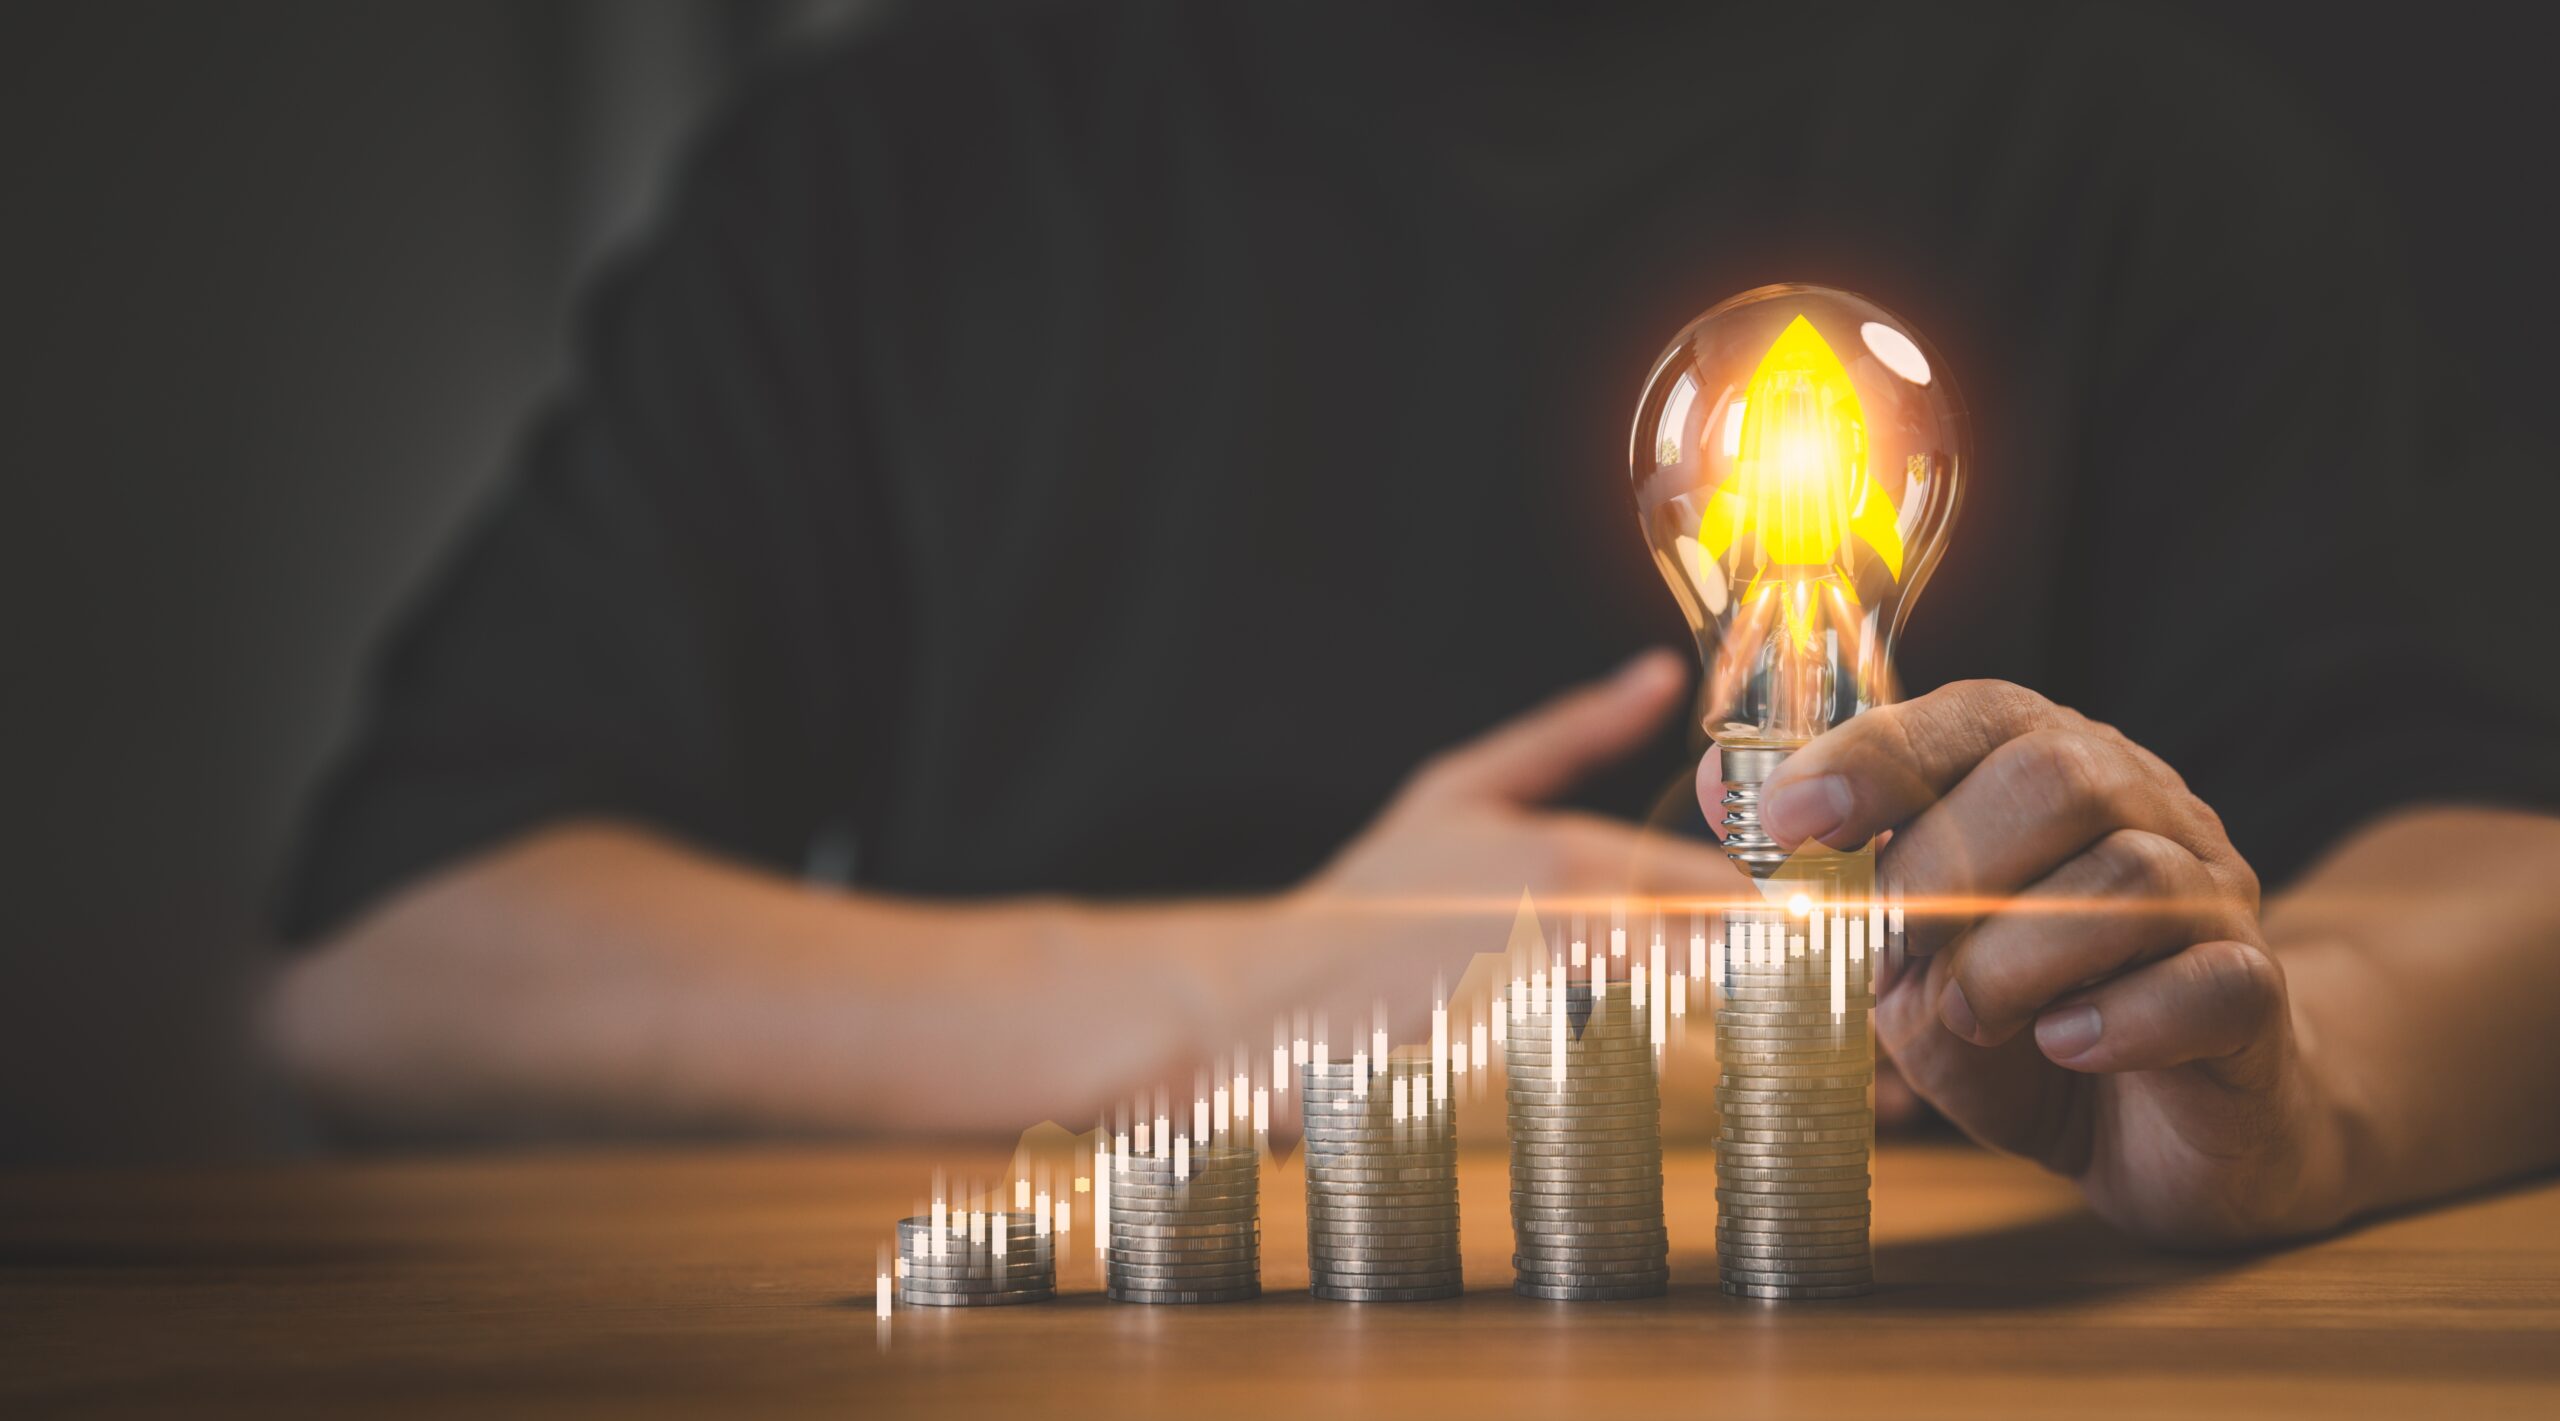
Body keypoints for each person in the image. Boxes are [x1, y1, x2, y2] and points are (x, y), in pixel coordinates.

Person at [268, 4, 2560, 1247]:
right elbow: (401, 966)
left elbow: (2502, 854)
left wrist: (2292, 1085)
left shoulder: (2112, 142)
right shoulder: (888, 176)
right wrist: (1246, 994)